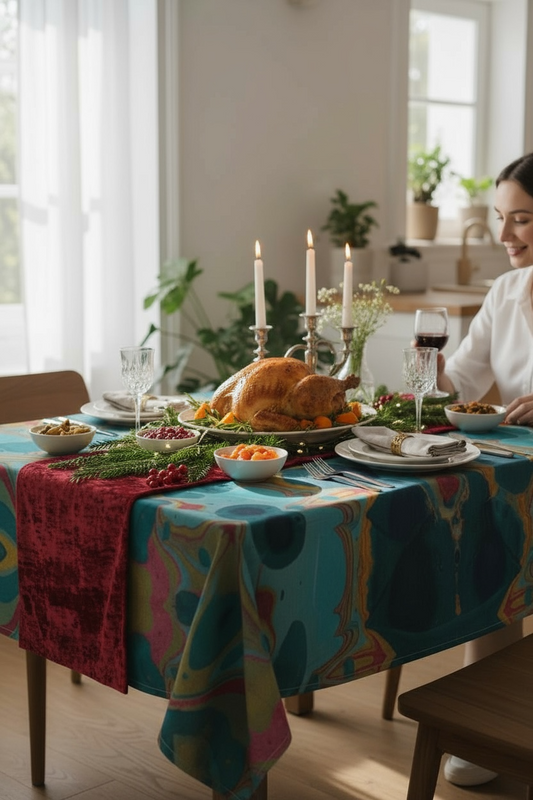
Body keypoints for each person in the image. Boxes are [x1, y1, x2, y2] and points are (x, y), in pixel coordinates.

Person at [434, 151, 533, 787]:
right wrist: (424, 370)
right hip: (516, 473)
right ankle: (486, 727)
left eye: (521, 220)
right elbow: (458, 383)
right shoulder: (506, 291)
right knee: (484, 532)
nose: (503, 238)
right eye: (500, 218)